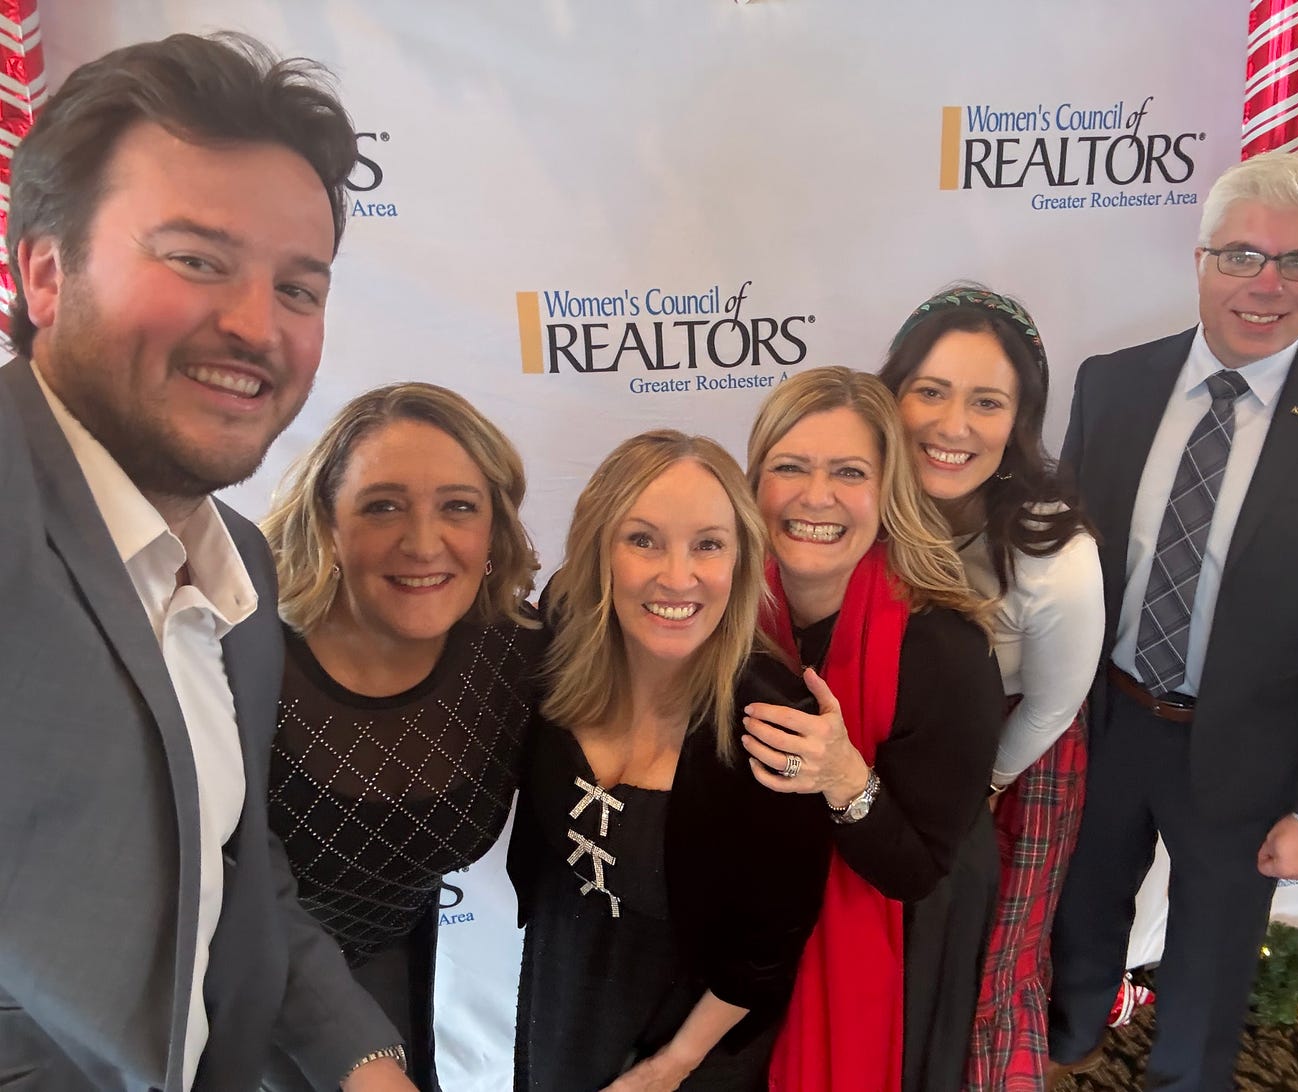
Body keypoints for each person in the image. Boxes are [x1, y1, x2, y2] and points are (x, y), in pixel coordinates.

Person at [0, 33, 417, 1092]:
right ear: (46, 272)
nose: (254, 328)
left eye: (299, 288)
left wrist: (367, 1063)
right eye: (195, 259)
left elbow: (232, 866)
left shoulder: (237, 563)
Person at [1047, 152, 1298, 1091]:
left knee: (1209, 980)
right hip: (1107, 726)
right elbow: (1053, 568)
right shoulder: (1112, 384)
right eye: (1242, 255)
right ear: (1201, 259)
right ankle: (1062, 1053)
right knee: (1076, 929)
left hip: (1250, 760)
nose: (1267, 283)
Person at [507, 430, 832, 1090]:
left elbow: (767, 948)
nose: (677, 576)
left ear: (741, 561)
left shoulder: (775, 724)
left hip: (692, 1030)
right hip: (563, 983)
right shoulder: (563, 631)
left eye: (708, 545)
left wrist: (673, 1066)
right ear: (601, 549)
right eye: (643, 540)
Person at [259, 383, 544, 1089]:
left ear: (494, 528)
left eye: (458, 506)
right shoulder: (246, 656)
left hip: (393, 958)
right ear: (328, 521)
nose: (423, 543)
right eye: (383, 506)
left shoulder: (513, 653)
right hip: (235, 977)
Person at [741, 366, 1005, 1092]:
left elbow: (916, 872)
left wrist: (844, 780)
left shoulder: (945, 651)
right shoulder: (722, 605)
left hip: (896, 931)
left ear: (886, 492)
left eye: (848, 472)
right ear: (753, 483)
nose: (815, 497)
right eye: (789, 467)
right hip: (760, 921)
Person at [878, 285, 1103, 1091]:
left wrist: (983, 784)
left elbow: (1053, 702)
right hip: (887, 752)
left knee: (986, 972)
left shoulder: (1053, 544)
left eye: (986, 402)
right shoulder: (857, 499)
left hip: (1014, 764)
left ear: (1018, 421)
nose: (953, 426)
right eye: (930, 392)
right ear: (891, 394)